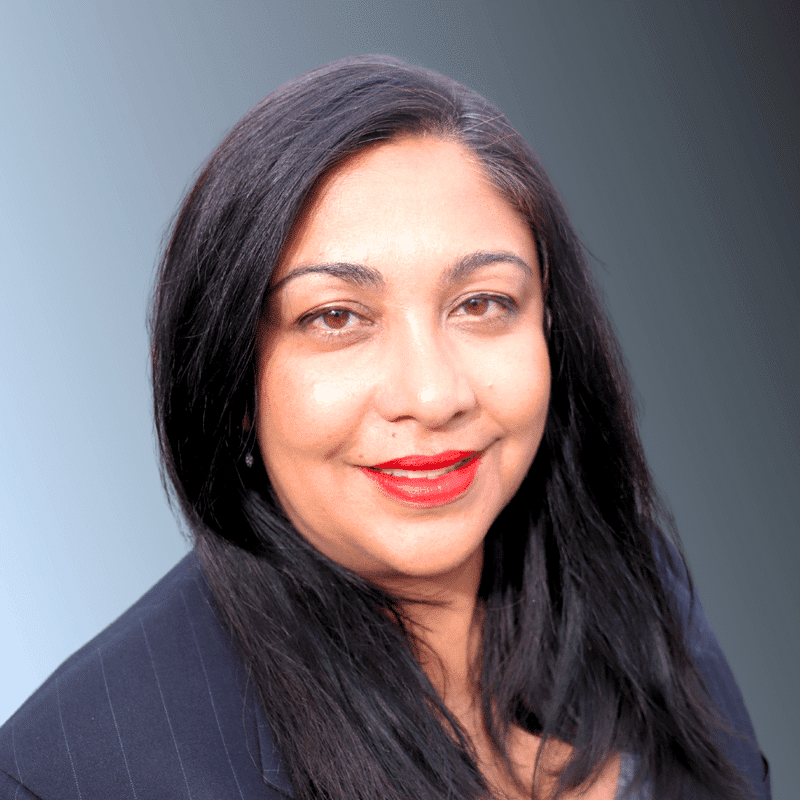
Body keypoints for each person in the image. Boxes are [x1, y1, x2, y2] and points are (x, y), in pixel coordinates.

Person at [0, 55, 770, 800]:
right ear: (232, 375)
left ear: (553, 333)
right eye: (335, 317)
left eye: (482, 303)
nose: (433, 395)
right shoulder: (71, 773)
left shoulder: (637, 582)